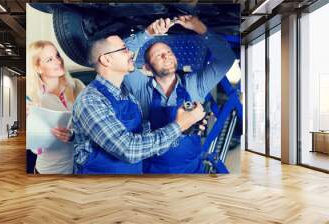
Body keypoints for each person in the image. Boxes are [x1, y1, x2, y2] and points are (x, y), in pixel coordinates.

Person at [72, 21, 206, 174]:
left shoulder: (128, 96)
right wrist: (179, 125)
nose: (131, 53)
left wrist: (186, 127)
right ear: (106, 60)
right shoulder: (91, 100)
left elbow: (144, 136)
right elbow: (129, 149)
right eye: (124, 50)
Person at [123, 16, 236, 173]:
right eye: (158, 55)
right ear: (148, 68)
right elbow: (121, 55)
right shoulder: (141, 88)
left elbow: (226, 58)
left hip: (192, 173)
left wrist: (200, 29)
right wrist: (148, 32)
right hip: (153, 173)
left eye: (168, 52)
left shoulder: (195, 84)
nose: (166, 56)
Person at [27, 40, 85, 174]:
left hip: (79, 168)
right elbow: (34, 148)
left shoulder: (77, 86)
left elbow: (92, 124)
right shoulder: (32, 97)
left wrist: (73, 135)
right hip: (49, 171)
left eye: (57, 55)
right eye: (49, 59)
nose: (58, 61)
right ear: (38, 68)